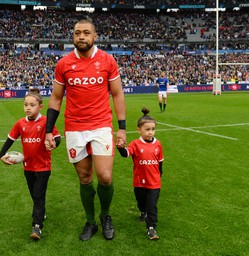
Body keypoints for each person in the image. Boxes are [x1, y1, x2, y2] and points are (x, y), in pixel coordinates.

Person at [44, 19, 126, 241]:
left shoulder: (108, 61)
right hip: (75, 128)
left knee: (105, 177)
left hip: (101, 125)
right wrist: (49, 130)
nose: (81, 37)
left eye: (86, 33)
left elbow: (117, 94)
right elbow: (56, 98)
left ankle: (106, 216)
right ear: (73, 36)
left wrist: (122, 129)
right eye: (77, 33)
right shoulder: (64, 64)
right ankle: (90, 221)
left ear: (95, 36)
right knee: (84, 177)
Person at [0, 88, 61, 240]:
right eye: (26, 104)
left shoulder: (46, 121)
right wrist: (1, 155)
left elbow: (57, 137)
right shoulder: (20, 123)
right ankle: (41, 212)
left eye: (32, 105)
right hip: (28, 166)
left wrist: (54, 143)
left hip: (44, 166)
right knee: (34, 194)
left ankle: (37, 227)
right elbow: (10, 139)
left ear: (40, 106)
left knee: (39, 194)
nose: (28, 108)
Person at [116, 107, 164, 240]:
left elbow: (160, 161)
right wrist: (120, 147)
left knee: (152, 206)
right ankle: (142, 211)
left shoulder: (158, 144)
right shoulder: (135, 144)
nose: (150, 132)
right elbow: (126, 154)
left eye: (153, 129)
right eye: (147, 129)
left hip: (154, 181)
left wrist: (160, 173)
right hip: (139, 181)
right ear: (139, 130)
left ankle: (151, 228)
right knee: (141, 202)